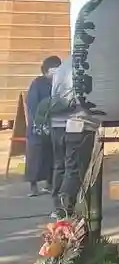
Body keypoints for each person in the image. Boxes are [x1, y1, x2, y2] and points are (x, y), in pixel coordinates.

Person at [23, 55, 61, 197]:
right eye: (53, 70)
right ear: (46, 71)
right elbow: (32, 105)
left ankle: (49, 184)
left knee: (52, 155)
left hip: (54, 124)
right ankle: (33, 186)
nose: (56, 73)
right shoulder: (37, 84)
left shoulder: (59, 83)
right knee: (35, 156)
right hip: (37, 125)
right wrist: (39, 122)